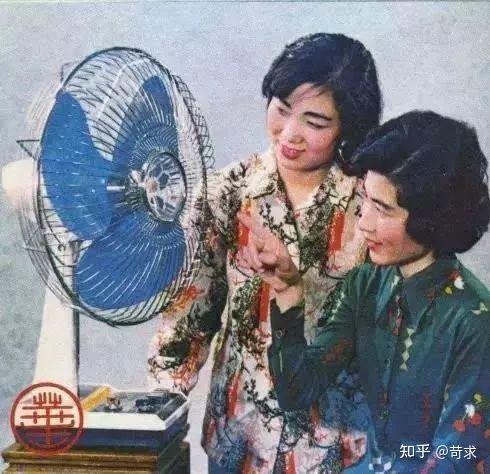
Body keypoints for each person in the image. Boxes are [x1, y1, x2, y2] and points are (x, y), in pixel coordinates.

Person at [148, 33, 381, 472]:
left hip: (340, 443)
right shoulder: (227, 192)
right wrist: (162, 404)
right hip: (240, 435)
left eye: (315, 122)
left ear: (348, 126)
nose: (290, 133)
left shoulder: (371, 203)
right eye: (281, 108)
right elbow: (190, 314)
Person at [237, 111, 490, 473]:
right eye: (365, 201)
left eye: (383, 210)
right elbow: (298, 392)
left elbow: (459, 457)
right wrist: (288, 289)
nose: (364, 223)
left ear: (431, 218)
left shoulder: (475, 322)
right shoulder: (366, 284)